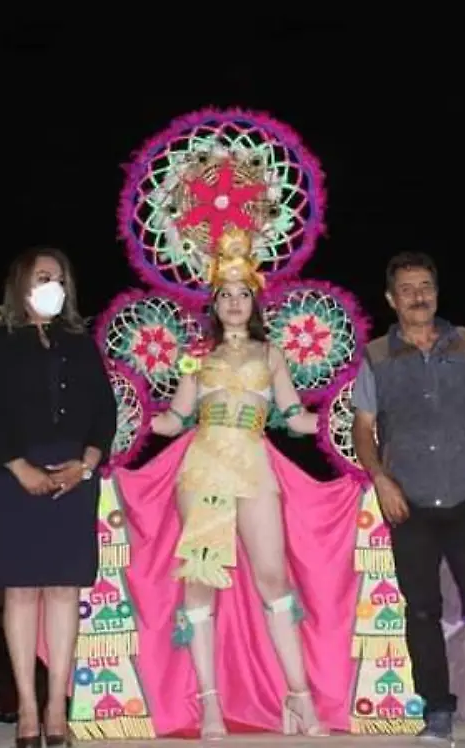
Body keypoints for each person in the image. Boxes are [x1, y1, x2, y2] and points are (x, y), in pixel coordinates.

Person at [117, 228, 363, 739]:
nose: (233, 301)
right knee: (200, 582)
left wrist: (346, 421)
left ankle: (298, 697)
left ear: (254, 300)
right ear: (213, 301)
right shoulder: (195, 357)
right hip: (202, 470)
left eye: (242, 293)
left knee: (273, 578)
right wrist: (127, 413)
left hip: (254, 469)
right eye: (224, 293)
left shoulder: (271, 354)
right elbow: (174, 420)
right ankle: (209, 705)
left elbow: (294, 418)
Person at [351, 251, 465, 745]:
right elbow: (363, 427)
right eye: (407, 289)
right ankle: (437, 712)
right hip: (407, 499)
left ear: (436, 291)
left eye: (425, 286)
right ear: (391, 299)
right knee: (422, 610)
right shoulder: (376, 356)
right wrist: (381, 480)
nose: (418, 296)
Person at [0, 248, 116, 748]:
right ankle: (27, 711)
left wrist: (88, 462)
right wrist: (18, 467)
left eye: (58, 278)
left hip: (74, 473)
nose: (51, 284)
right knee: (22, 590)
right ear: (21, 285)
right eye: (41, 277)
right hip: (14, 473)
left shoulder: (81, 342)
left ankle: (58, 710)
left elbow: (103, 410)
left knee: (64, 590)